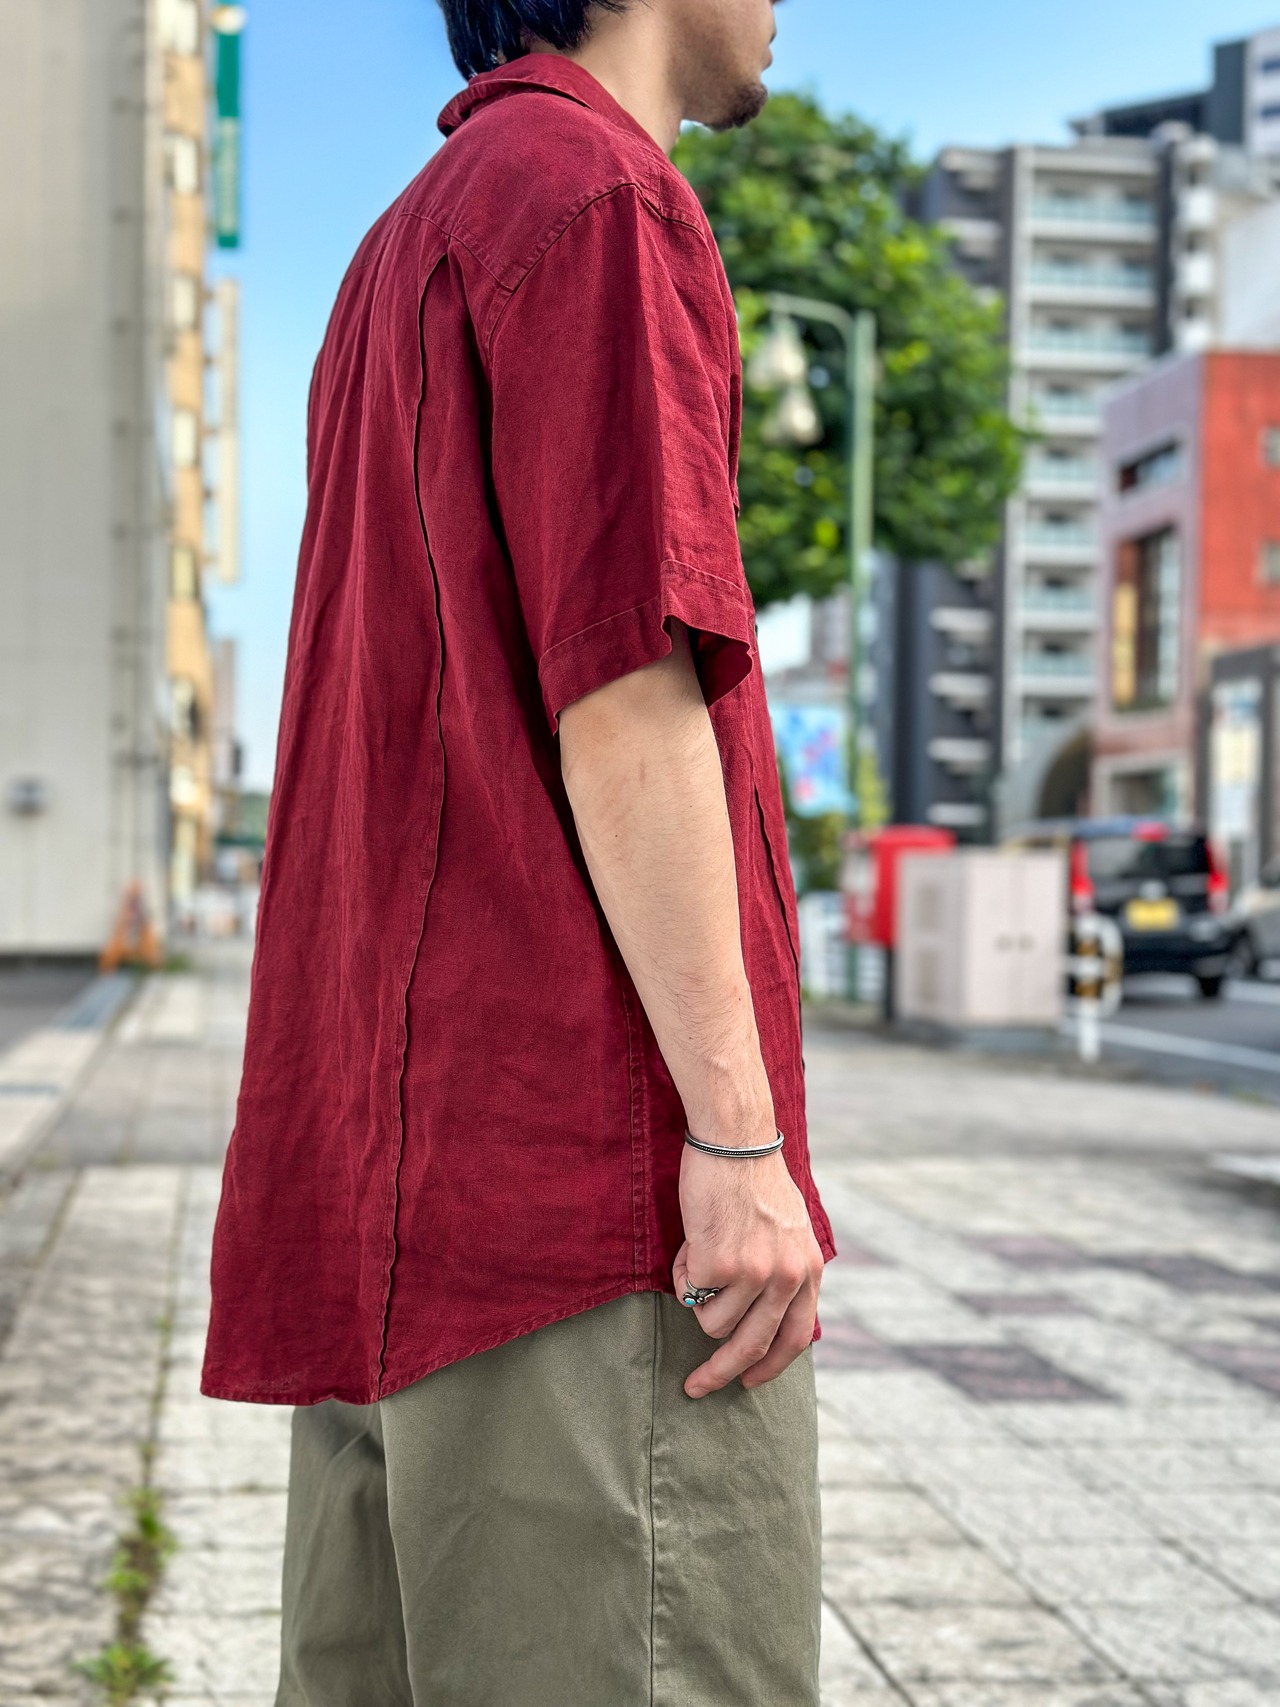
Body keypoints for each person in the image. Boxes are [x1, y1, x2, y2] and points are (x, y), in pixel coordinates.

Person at [201, 0, 836, 1700]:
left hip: (389, 1199)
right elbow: (625, 691)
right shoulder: (596, 202)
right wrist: (738, 1140)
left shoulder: (404, 245)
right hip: (577, 1214)